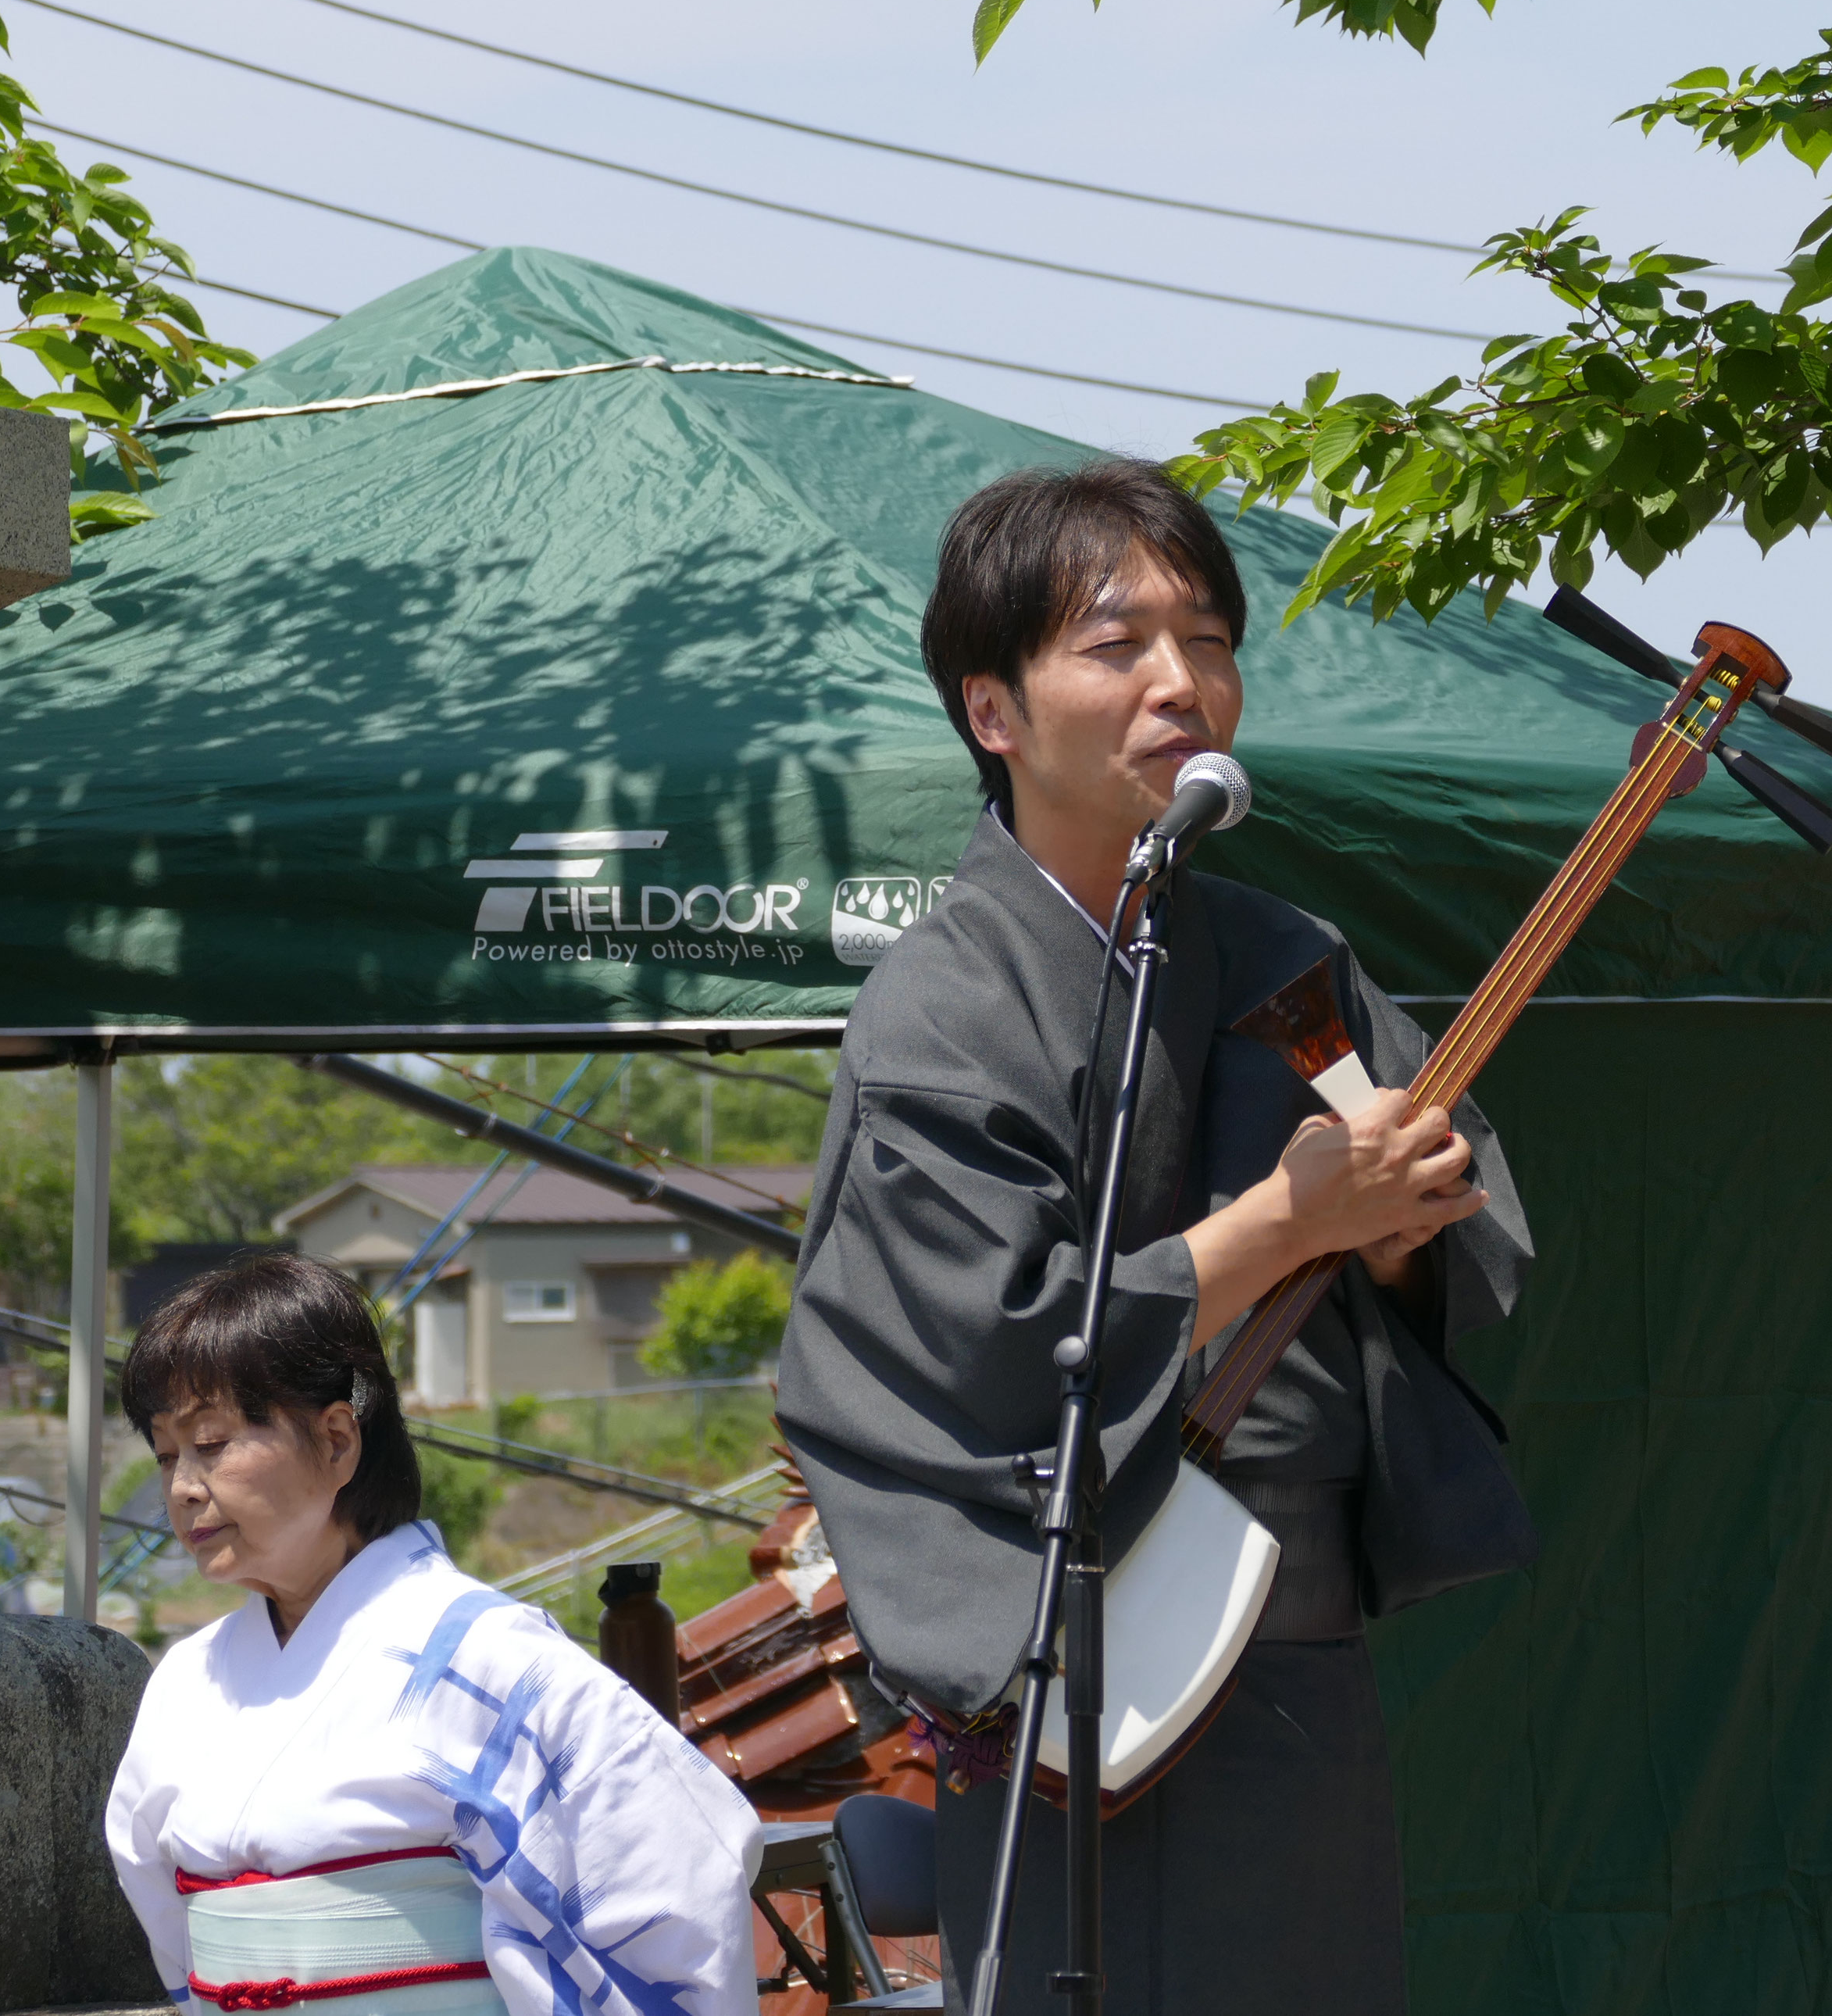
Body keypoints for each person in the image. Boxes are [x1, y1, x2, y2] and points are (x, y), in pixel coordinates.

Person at [775, 457, 1538, 2013]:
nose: (1179, 683)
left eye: (1207, 640)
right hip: (1073, 1647)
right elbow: (991, 1349)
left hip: (1286, 1629)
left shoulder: (1282, 952)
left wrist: (1393, 1219)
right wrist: (1281, 1219)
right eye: (1116, 646)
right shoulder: (942, 1002)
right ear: (992, 711)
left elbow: (1445, 1245)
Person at [102, 1254, 761, 2016]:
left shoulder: (494, 1662)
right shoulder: (185, 1684)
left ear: (337, 1439)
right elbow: (169, 1924)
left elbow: (677, 1899)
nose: (183, 1485)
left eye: (212, 1442)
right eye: (165, 1453)